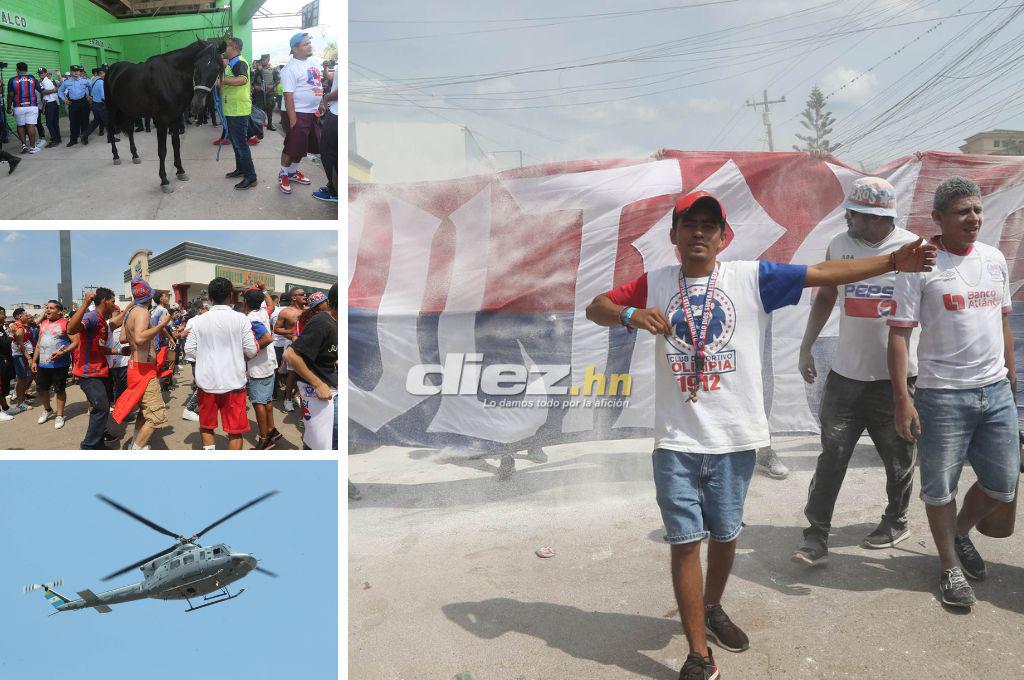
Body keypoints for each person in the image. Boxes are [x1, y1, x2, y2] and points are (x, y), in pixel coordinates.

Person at [584, 190, 936, 679]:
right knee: (686, 541)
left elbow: (824, 275)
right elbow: (596, 306)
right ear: (674, 236)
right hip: (677, 439)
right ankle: (697, 655)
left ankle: (712, 608)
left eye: (709, 225)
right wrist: (628, 314)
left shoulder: (751, 277)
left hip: (734, 436)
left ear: (724, 237)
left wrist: (891, 262)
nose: (699, 232)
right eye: (690, 224)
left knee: (725, 535)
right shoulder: (657, 281)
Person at [888, 176, 1019, 609]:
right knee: (939, 488)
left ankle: (960, 532)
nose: (973, 218)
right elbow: (900, 336)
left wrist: (1011, 378)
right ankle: (948, 566)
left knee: (1002, 484)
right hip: (941, 396)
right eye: (963, 211)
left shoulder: (994, 258)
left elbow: (1002, 323)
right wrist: (902, 399)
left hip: (995, 390)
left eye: (977, 210)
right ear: (939, 218)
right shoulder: (920, 265)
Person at [791, 177, 922, 567]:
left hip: (895, 382)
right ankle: (815, 536)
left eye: (858, 215)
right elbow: (826, 296)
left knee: (899, 456)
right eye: (850, 212)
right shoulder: (840, 245)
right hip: (846, 378)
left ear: (881, 217)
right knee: (832, 455)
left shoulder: (912, 249)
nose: (850, 219)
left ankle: (896, 520)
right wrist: (805, 346)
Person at [184, 277, 258, 450]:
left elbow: (189, 350)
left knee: (207, 426)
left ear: (209, 297)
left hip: (206, 383)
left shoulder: (199, 320)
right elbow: (252, 350)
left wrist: (204, 358)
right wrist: (236, 357)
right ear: (231, 296)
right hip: (234, 383)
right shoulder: (241, 319)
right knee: (235, 431)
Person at [110, 278, 171, 450]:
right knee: (156, 416)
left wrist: (135, 345)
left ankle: (136, 442)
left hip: (135, 367)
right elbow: (139, 337)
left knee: (145, 412)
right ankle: (136, 450)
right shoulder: (143, 312)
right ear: (149, 297)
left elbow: (123, 338)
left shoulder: (131, 313)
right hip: (143, 370)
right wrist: (161, 325)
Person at [285, 285, 338, 450]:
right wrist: (317, 384)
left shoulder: (338, 322)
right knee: (325, 445)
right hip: (321, 396)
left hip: (334, 389)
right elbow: (290, 355)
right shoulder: (322, 322)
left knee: (325, 443)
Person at [67, 288, 118, 450]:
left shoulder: (101, 321)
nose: (114, 305)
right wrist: (84, 304)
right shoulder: (91, 317)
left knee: (102, 408)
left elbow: (99, 348)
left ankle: (98, 443)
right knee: (101, 408)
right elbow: (71, 329)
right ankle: (88, 447)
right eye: (113, 301)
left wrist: (118, 351)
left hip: (100, 371)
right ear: (105, 301)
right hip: (88, 373)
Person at [277, 32, 322, 195]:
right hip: (297, 113)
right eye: (305, 44)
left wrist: (320, 103)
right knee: (292, 147)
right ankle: (283, 173)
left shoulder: (314, 62)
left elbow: (316, 84)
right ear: (295, 49)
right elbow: (288, 95)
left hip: (311, 113)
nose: (309, 45)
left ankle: (292, 172)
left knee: (303, 147)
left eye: (309, 43)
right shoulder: (290, 68)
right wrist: (293, 119)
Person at [242, 283, 282, 449]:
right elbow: (271, 304)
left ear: (245, 302)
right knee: (267, 401)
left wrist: (248, 353)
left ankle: (265, 438)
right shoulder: (263, 312)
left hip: (258, 366)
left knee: (258, 403)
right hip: (269, 363)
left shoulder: (251, 318)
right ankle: (272, 429)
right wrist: (264, 290)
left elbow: (266, 338)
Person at [31, 300, 77, 430]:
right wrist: (34, 360)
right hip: (43, 364)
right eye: (47, 308)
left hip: (59, 365)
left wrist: (63, 352)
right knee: (41, 389)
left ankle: (60, 415)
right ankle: (47, 409)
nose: (48, 310)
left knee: (59, 390)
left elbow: (75, 342)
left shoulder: (66, 324)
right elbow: (39, 344)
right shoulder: (44, 323)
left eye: (51, 308)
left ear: (59, 311)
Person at [220, 37, 258, 191]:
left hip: (238, 110)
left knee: (241, 144)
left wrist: (222, 81)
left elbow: (242, 80)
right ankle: (240, 169)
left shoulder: (239, 62)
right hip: (232, 109)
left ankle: (251, 176)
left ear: (233, 47)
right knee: (236, 143)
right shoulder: (232, 62)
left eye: (227, 46)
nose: (225, 50)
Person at [273, 287, 307, 412]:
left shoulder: (309, 310)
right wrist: (292, 334)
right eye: (301, 294)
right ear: (294, 297)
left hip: (308, 346)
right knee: (292, 374)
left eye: (305, 294)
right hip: (292, 345)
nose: (305, 296)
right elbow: (276, 329)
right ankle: (287, 399)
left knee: (306, 372)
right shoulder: (286, 312)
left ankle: (298, 395)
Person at [313, 64, 338, 204]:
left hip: (337, 114)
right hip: (335, 112)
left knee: (328, 153)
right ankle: (332, 186)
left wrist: (326, 98)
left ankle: (336, 192)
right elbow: (331, 77)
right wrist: (326, 68)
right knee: (332, 153)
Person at [6, 62, 41, 154]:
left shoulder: (12, 80)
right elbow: (41, 90)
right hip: (32, 106)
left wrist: (8, 107)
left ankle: (24, 146)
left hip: (18, 107)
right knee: (31, 126)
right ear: (27, 69)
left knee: (20, 126)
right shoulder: (32, 78)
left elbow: (10, 95)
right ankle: (33, 148)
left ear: (17, 69)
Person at [8, 308, 35, 415]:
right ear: (19, 317)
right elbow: (20, 345)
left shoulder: (21, 326)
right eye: (25, 315)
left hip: (21, 355)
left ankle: (21, 399)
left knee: (24, 378)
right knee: (22, 379)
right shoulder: (19, 328)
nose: (27, 316)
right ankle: (20, 402)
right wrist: (29, 358)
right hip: (20, 356)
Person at [82, 66, 117, 144]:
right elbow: (103, 96)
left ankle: (84, 135)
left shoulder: (95, 80)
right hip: (101, 105)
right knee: (107, 121)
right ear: (101, 73)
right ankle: (111, 138)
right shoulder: (101, 82)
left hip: (95, 104)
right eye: (106, 73)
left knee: (96, 121)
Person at [57, 65, 91, 147]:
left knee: (85, 121)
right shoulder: (66, 82)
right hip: (73, 104)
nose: (76, 72)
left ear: (79, 72)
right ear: (71, 72)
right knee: (73, 122)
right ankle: (73, 140)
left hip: (83, 103)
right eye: (74, 71)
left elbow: (91, 88)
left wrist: (90, 96)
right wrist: (64, 100)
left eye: (77, 71)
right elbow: (60, 91)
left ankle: (84, 138)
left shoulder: (85, 81)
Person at [37, 68, 61, 147]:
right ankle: (58, 138)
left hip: (50, 104)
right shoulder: (47, 81)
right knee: (54, 122)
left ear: (46, 73)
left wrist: (43, 108)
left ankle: (55, 140)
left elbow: (45, 95)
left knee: (49, 123)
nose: (41, 74)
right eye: (40, 73)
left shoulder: (45, 82)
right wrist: (54, 90)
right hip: (54, 103)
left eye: (42, 73)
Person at [0, 306, 14, 421]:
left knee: (3, 386)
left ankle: (5, 407)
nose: (4, 316)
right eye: (2, 314)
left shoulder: (1, 327)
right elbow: (4, 343)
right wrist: (11, 334)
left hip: (4, 361)